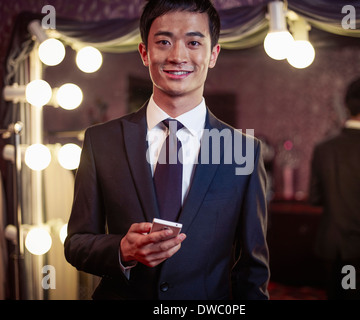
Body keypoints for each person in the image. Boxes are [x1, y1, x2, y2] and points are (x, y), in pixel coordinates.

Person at [64, 0, 270, 300]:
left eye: (193, 42)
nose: (178, 56)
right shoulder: (101, 141)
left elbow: (253, 270)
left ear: (213, 54)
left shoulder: (243, 150)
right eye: (163, 42)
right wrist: (122, 249)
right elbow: (76, 244)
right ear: (144, 53)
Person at [309, 76, 360, 299]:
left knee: (337, 295)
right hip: (357, 251)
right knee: (352, 296)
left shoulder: (323, 148)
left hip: (328, 246)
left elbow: (315, 198)